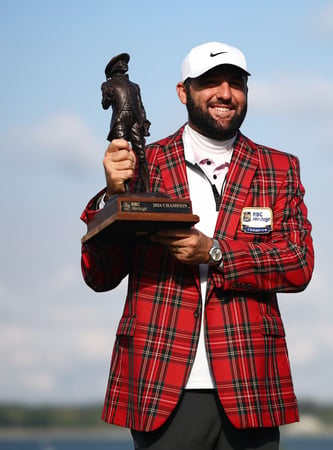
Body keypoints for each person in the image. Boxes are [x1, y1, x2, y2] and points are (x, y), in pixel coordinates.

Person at [81, 42, 314, 450]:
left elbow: (297, 264)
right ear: (182, 91)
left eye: (236, 84)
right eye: (210, 82)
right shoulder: (142, 163)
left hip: (250, 386)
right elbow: (99, 275)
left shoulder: (280, 168)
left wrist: (215, 251)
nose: (225, 93)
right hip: (161, 383)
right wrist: (111, 194)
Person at [101, 52, 151, 187]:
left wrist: (144, 120)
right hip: (120, 120)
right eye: (120, 62)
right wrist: (108, 96)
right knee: (122, 155)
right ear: (114, 68)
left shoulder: (135, 86)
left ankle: (147, 189)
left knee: (141, 155)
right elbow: (105, 105)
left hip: (135, 120)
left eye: (125, 62)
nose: (124, 64)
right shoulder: (108, 84)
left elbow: (140, 105)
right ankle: (126, 191)